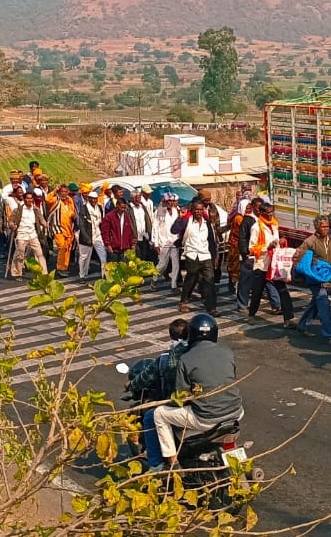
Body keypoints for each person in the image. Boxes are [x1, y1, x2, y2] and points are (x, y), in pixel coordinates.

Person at [152, 313, 244, 471]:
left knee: (159, 414)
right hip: (236, 412)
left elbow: (181, 396)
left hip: (206, 418)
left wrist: (170, 401)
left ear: (192, 335)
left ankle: (172, 463)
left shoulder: (186, 359)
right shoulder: (227, 351)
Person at [134, 318, 190, 471]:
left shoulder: (167, 358)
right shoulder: (196, 352)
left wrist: (130, 384)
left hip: (179, 405)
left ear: (171, 336)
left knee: (150, 417)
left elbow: (145, 377)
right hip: (200, 404)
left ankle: (156, 465)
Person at [245, 200, 296, 327]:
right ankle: (251, 314)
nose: (270, 215)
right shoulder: (256, 227)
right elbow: (252, 249)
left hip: (275, 264)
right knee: (257, 292)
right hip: (262, 265)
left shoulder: (274, 225)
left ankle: (288, 319)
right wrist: (267, 247)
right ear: (261, 213)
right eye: (268, 213)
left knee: (283, 291)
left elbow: (277, 243)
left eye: (272, 212)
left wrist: (281, 242)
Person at [293, 216, 331, 346]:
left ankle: (302, 324)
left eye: (327, 227)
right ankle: (330, 334)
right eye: (323, 227)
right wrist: (312, 262)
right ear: (317, 227)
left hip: (328, 279)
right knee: (324, 305)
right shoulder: (310, 241)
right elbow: (297, 256)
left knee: (316, 303)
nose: (326, 229)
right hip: (315, 280)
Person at [172, 197, 219, 315]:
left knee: (210, 281)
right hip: (192, 255)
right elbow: (174, 230)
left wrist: (214, 257)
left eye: (201, 209)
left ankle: (211, 307)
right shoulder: (187, 221)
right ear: (192, 210)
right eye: (196, 210)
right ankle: (184, 300)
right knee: (190, 279)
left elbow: (211, 241)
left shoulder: (207, 223)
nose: (199, 212)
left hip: (205, 255)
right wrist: (180, 218)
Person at [7, 191, 48, 278]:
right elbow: (10, 221)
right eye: (27, 198)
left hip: (33, 234)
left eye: (31, 198)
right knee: (20, 254)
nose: (29, 200)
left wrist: (46, 224)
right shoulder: (18, 210)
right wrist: (12, 226)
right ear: (24, 199)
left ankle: (44, 273)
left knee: (39, 253)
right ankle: (17, 272)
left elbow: (41, 219)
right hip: (22, 234)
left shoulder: (36, 210)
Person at [152, 193, 182, 291]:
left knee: (176, 264)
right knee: (162, 264)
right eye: (167, 201)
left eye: (171, 201)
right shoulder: (160, 211)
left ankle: (174, 285)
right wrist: (156, 244)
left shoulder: (176, 211)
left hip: (174, 241)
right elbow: (155, 228)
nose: (169, 203)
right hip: (163, 242)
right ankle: (154, 279)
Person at [47, 184, 77, 277]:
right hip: (58, 228)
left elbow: (72, 211)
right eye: (62, 192)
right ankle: (60, 268)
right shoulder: (55, 199)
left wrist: (73, 215)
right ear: (59, 192)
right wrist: (55, 190)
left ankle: (64, 267)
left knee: (67, 248)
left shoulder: (70, 200)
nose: (63, 193)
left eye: (65, 191)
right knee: (62, 247)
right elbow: (47, 199)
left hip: (68, 229)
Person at [78, 191, 107, 278]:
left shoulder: (99, 207)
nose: (94, 200)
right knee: (84, 257)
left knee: (103, 255)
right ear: (88, 199)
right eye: (92, 199)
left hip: (97, 235)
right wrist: (87, 238)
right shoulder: (84, 209)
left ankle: (104, 275)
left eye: (95, 199)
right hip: (86, 236)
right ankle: (82, 275)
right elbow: (81, 225)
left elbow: (101, 222)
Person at [101, 196, 137, 263]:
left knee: (123, 270)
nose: (123, 209)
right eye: (122, 207)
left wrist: (132, 244)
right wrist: (108, 245)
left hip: (125, 249)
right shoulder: (109, 217)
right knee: (113, 271)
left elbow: (129, 232)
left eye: (124, 208)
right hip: (113, 249)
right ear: (117, 206)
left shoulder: (126, 216)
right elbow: (105, 232)